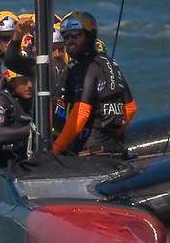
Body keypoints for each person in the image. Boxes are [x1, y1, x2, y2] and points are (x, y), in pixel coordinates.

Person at [52, 11, 137, 156]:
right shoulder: (110, 63)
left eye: (75, 35)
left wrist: (55, 149)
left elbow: (81, 113)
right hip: (114, 150)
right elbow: (130, 108)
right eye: (65, 37)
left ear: (89, 36)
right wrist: (111, 134)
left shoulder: (85, 67)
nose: (69, 42)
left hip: (90, 155)